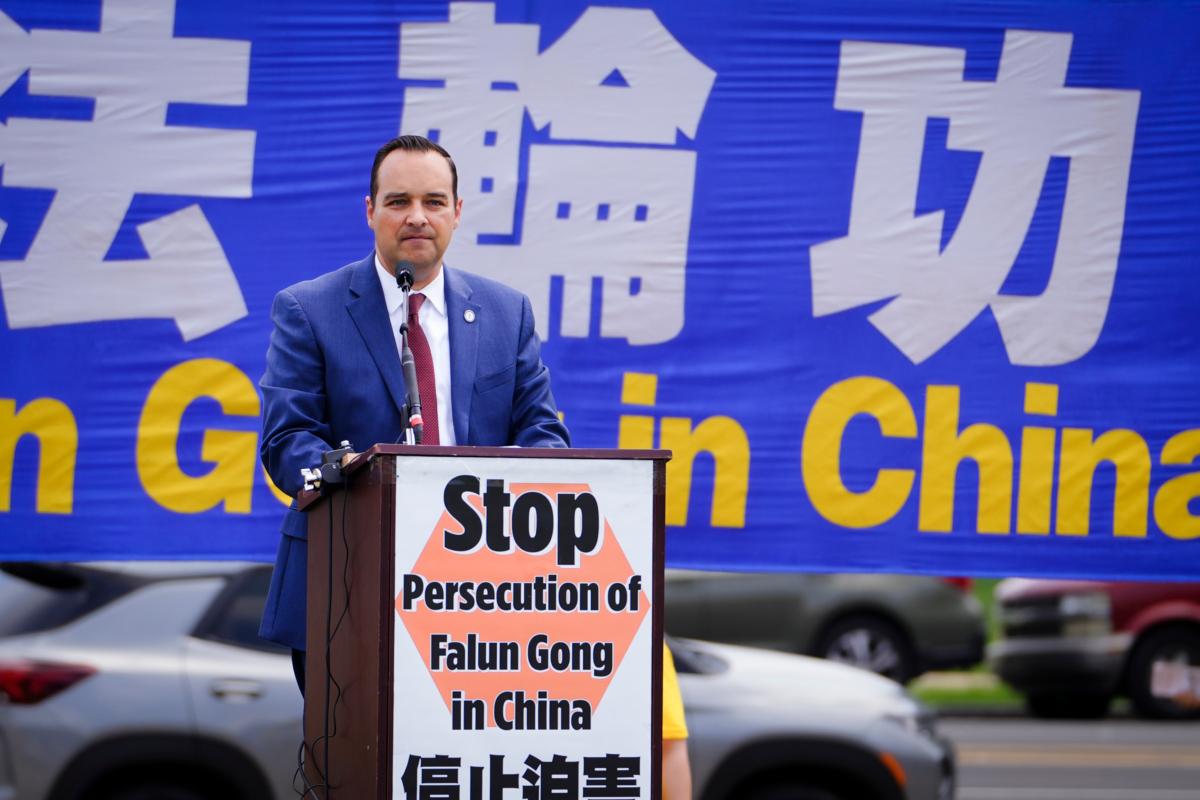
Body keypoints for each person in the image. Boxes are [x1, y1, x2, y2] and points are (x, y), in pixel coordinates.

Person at [257, 134, 570, 668]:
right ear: (370, 211)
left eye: (434, 202)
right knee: (350, 751)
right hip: (348, 577)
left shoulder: (506, 312)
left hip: (481, 586)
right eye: (399, 202)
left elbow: (542, 432)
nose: (417, 217)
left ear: (457, 211)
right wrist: (352, 472)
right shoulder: (309, 309)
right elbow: (287, 440)